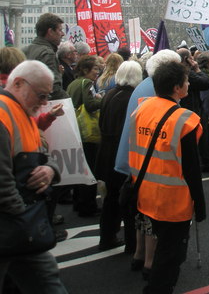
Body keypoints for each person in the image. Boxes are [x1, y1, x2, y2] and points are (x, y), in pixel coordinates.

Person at [129, 61, 205, 294]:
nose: (189, 82)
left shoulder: (141, 108)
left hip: (144, 194)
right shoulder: (185, 120)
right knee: (171, 257)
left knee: (161, 249)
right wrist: (200, 205)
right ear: (176, 87)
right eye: (186, 80)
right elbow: (192, 170)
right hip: (173, 201)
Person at [0, 60, 68, 294]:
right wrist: (24, 221)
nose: (44, 102)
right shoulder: (4, 113)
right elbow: (2, 183)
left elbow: (40, 155)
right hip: (14, 226)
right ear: (18, 84)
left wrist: (50, 171)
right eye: (40, 95)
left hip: (17, 230)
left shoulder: (22, 112)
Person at [95, 60, 143, 252]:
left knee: (111, 197)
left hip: (106, 151)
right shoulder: (130, 98)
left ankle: (107, 236)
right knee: (126, 199)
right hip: (119, 152)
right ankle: (130, 242)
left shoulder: (110, 94)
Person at [67, 55, 103, 217]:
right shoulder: (87, 83)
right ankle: (88, 205)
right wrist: (101, 99)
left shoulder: (73, 84)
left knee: (80, 168)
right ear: (85, 70)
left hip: (75, 128)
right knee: (90, 168)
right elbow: (90, 105)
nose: (97, 72)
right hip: (87, 131)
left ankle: (78, 201)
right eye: (95, 68)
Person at [22, 13, 67, 100]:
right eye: (60, 30)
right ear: (50, 32)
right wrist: (70, 103)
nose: (62, 34)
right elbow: (54, 89)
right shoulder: (47, 54)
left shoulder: (25, 50)